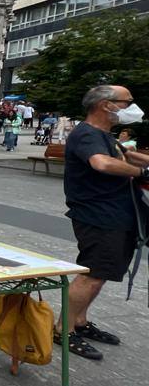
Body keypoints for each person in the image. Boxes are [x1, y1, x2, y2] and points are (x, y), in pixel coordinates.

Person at [61, 84, 149, 360]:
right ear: (106, 105)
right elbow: (102, 164)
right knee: (92, 273)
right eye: (127, 102)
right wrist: (141, 171)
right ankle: (62, 330)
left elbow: (125, 155)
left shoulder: (105, 136)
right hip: (98, 215)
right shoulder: (86, 134)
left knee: (101, 274)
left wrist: (139, 163)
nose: (132, 108)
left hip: (115, 214)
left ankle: (80, 322)